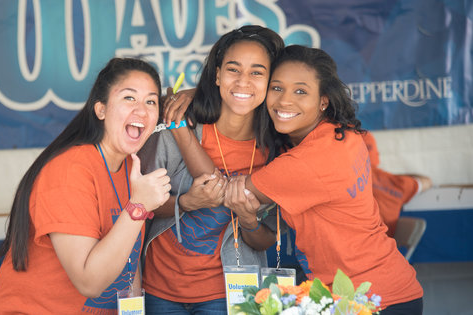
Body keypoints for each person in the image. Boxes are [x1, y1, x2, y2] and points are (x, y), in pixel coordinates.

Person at [204, 45, 422, 314]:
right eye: (276, 88)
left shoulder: (308, 160)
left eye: (300, 91)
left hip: (370, 299)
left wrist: (181, 127)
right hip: (362, 292)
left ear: (323, 101)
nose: (285, 101)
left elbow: (224, 191)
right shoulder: (341, 134)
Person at [0, 58, 170, 314]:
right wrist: (138, 207)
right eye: (129, 98)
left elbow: (129, 256)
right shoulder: (69, 170)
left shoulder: (132, 168)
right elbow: (89, 282)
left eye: (151, 101)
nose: (142, 110)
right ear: (101, 110)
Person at [137, 25, 284, 314]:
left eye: (257, 72)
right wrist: (184, 203)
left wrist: (248, 218)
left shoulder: (276, 151)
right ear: (217, 74)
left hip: (231, 294)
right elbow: (136, 204)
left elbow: (269, 237)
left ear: (271, 81)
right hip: (160, 289)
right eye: (233, 69)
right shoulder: (173, 130)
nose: (243, 81)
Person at [363, 131, 432, 237]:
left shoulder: (342, 180)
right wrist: (394, 178)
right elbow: (427, 181)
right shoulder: (397, 183)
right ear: (377, 154)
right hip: (382, 249)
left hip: (353, 249)